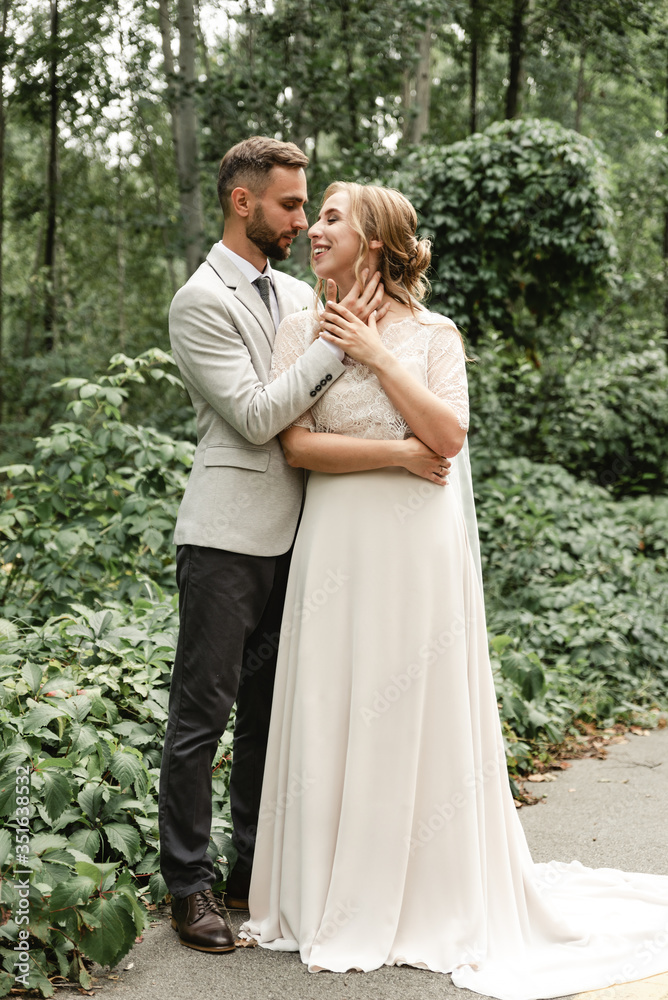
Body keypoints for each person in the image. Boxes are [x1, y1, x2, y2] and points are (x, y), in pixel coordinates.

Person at [241, 181, 668, 1000]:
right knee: (336, 697)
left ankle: (424, 894)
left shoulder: (437, 335)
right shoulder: (300, 327)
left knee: (406, 703)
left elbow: (447, 435)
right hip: (336, 541)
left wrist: (373, 354)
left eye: (333, 217)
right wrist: (396, 454)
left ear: (376, 243)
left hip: (415, 550)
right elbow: (296, 445)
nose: (316, 229)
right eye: (316, 214)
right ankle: (322, 892)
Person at [159, 139, 451, 954]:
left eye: (308, 208)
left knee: (272, 716)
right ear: (243, 203)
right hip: (228, 536)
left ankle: (258, 871)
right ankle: (188, 887)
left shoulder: (295, 291)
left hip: (313, 540)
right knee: (202, 714)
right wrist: (341, 336)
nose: (301, 220)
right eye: (290, 205)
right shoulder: (199, 301)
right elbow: (257, 418)